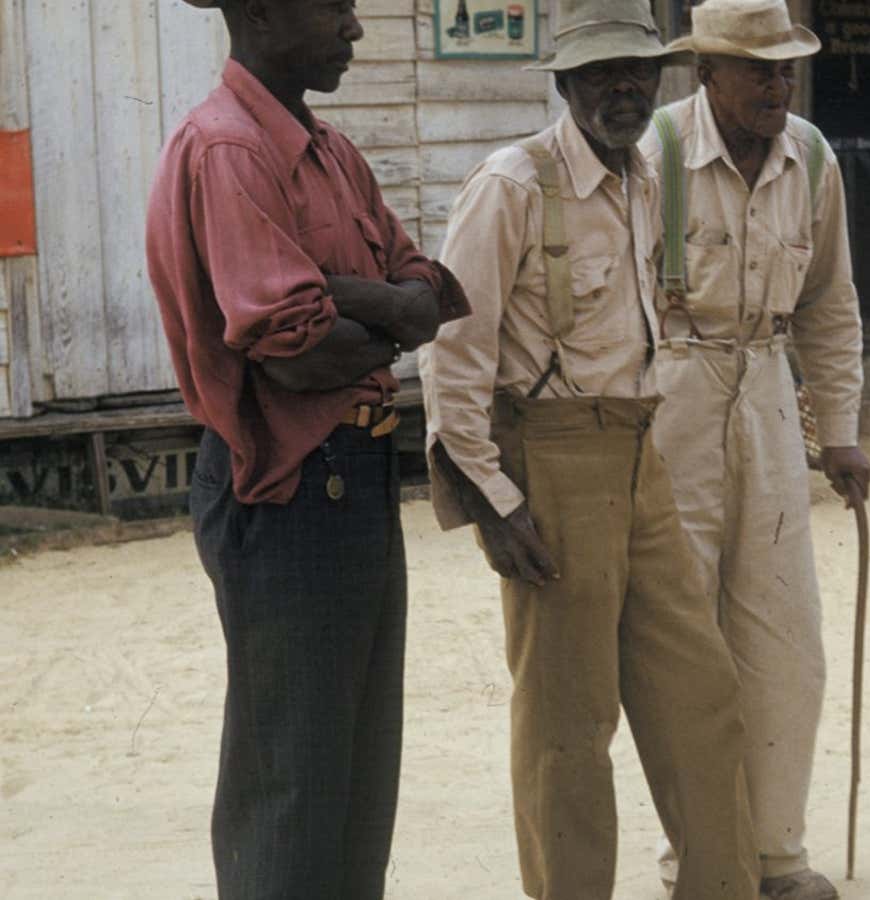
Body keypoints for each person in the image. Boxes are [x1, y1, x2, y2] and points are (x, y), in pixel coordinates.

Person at [417, 1, 759, 897]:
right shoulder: (513, 184)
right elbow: (455, 354)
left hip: (641, 454)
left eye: (638, 73)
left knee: (701, 696)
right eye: (603, 74)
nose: (624, 89)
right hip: (553, 464)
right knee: (569, 730)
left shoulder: (647, 175)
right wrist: (492, 500)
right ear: (565, 84)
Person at [144, 0, 469, 896]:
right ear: (258, 11)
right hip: (289, 489)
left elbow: (429, 290)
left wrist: (346, 297)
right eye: (333, 6)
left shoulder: (330, 150)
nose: (354, 27)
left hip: (357, 475)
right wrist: (380, 314)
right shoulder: (229, 150)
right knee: (291, 781)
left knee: (359, 775)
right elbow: (294, 359)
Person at [638, 1, 870, 896]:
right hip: (674, 393)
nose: (777, 85)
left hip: (769, 390)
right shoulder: (653, 151)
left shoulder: (811, 156)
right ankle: (698, 858)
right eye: (756, 69)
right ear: (706, 72)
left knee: (785, 637)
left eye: (785, 68)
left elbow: (830, 302)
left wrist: (840, 432)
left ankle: (777, 853)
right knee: (682, 638)